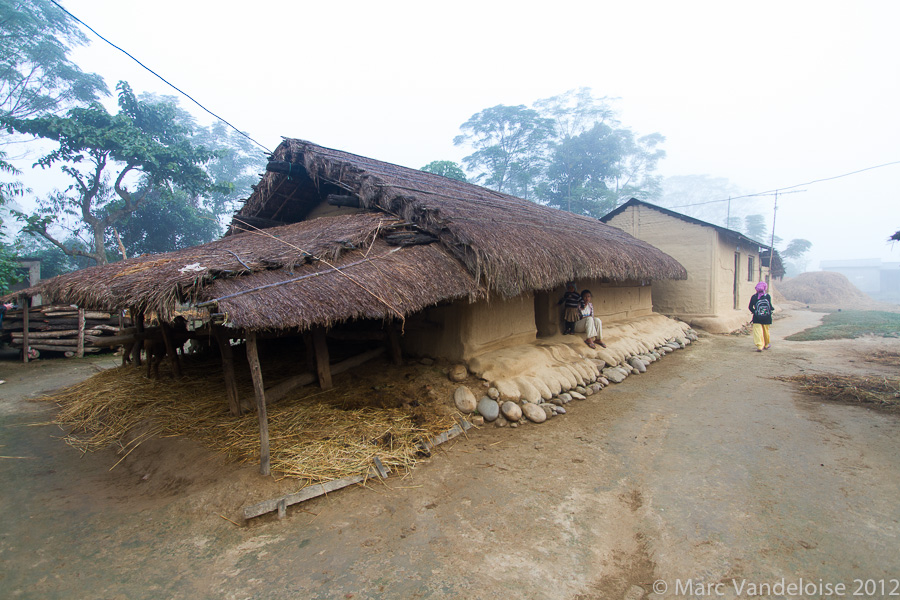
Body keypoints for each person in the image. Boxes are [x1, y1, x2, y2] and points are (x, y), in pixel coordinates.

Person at [748, 281, 774, 352]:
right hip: (767, 317)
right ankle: (766, 344)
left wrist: (755, 312)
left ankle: (760, 345)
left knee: (757, 332)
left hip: (757, 318)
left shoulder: (753, 297)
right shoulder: (767, 296)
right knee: (766, 332)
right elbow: (770, 306)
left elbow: (750, 307)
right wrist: (771, 309)